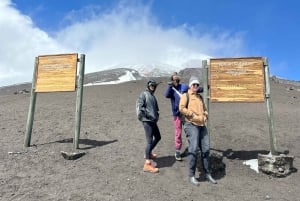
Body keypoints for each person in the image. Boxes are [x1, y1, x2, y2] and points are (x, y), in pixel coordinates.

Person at [179, 76, 217, 185]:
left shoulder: (200, 97)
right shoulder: (186, 95)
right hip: (191, 124)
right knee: (193, 148)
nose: (195, 86)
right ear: (190, 85)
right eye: (193, 84)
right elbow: (181, 108)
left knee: (206, 149)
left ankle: (207, 173)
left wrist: (205, 115)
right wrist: (190, 114)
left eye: (197, 85)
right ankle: (191, 175)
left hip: (202, 125)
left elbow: (205, 109)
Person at [136, 79, 161, 173]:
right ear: (148, 86)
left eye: (154, 86)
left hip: (153, 121)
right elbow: (140, 106)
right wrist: (148, 115)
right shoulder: (144, 94)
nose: (153, 87)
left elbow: (157, 109)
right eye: (151, 85)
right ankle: (147, 164)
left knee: (158, 137)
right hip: (147, 121)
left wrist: (156, 116)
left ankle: (148, 153)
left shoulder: (152, 96)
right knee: (149, 141)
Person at [164, 72, 189, 161]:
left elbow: (193, 90)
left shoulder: (184, 87)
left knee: (189, 131)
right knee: (178, 133)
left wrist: (205, 87)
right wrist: (170, 86)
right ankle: (178, 151)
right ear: (172, 80)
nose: (176, 81)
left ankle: (192, 148)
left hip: (186, 114)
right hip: (177, 115)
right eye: (174, 79)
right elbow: (166, 95)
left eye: (177, 79)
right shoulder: (171, 89)